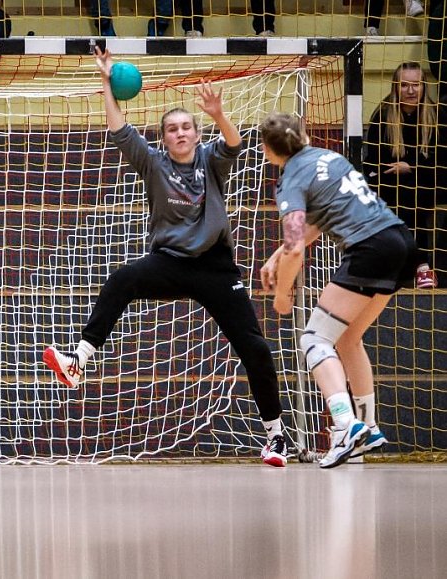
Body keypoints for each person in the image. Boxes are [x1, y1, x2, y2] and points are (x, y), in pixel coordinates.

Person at [43, 47, 290, 468]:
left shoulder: (212, 159)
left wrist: (217, 112)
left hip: (215, 266)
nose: (179, 133)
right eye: (172, 128)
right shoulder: (153, 163)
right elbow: (119, 128)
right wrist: (106, 82)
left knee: (255, 348)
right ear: (164, 138)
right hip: (171, 262)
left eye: (186, 127)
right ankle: (77, 360)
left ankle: (276, 436)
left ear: (196, 134)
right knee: (122, 279)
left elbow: (234, 142)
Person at [259, 112, 417, 468]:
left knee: (314, 338)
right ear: (303, 135)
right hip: (400, 242)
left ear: (269, 151)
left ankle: (345, 425)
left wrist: (283, 294)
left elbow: (296, 245)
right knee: (348, 338)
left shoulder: (291, 179)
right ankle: (369, 427)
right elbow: (314, 224)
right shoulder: (329, 158)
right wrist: (276, 256)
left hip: (369, 249)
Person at [363, 62, 441, 288]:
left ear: (424, 87)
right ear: (395, 87)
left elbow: (439, 158)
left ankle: (419, 266)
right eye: (404, 85)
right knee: (396, 191)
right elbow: (374, 158)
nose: (410, 91)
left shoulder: (436, 115)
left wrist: (412, 166)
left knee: (412, 190)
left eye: (415, 85)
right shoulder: (383, 114)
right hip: (391, 180)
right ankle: (419, 266)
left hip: (428, 179)